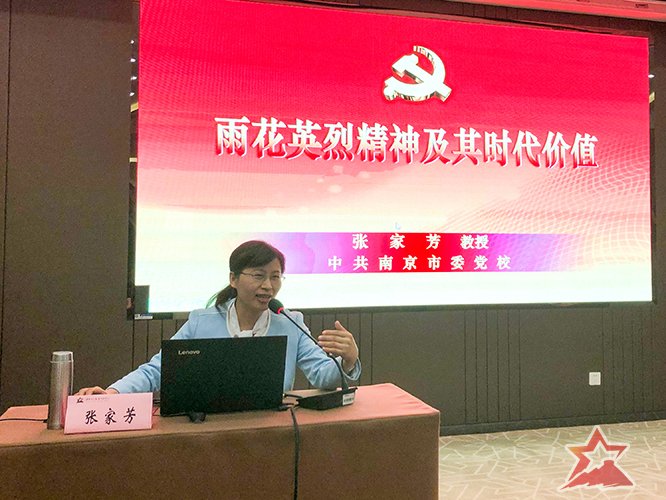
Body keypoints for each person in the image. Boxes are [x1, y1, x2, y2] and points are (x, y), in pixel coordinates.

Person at [77, 240, 360, 396]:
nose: (268, 286)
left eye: (275, 277)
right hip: (211, 431)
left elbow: (323, 376)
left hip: (273, 429)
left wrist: (348, 359)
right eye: (258, 276)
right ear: (233, 279)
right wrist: (114, 393)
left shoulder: (289, 321)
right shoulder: (202, 322)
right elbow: (158, 370)